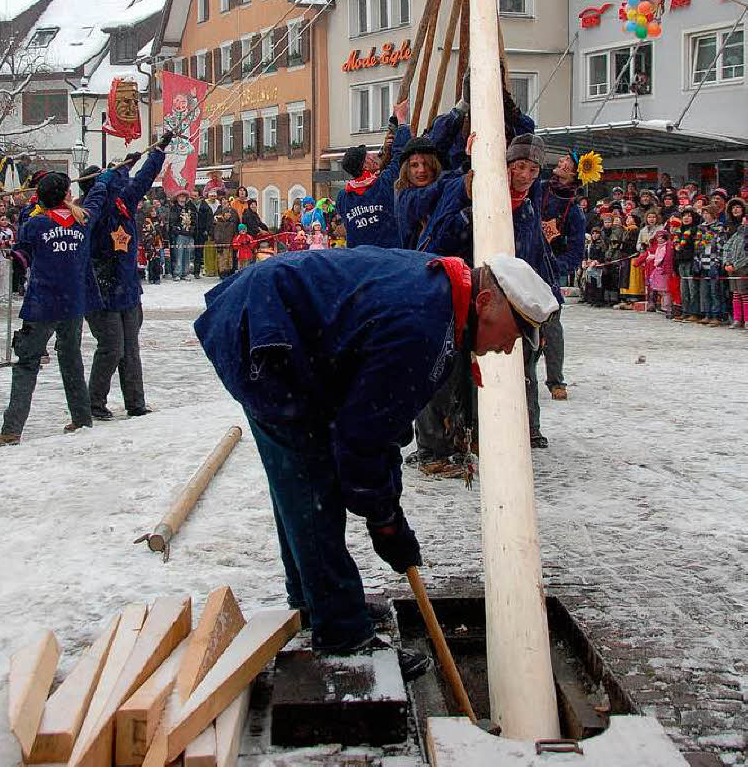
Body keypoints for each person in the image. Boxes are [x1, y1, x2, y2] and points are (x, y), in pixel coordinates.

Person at [194, 246, 558, 676]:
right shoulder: (423, 324)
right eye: (513, 334)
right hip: (266, 336)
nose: (506, 347)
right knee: (312, 485)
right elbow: (361, 439)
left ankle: (315, 600)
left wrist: (386, 512)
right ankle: (343, 637)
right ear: (484, 302)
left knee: (303, 483)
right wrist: (385, 519)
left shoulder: (443, 300)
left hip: (279, 323)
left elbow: (383, 422)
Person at [0, 169, 114, 446]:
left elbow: (23, 251)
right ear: (65, 196)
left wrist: (17, 252)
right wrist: (103, 178)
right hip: (74, 304)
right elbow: (97, 198)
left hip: (42, 304)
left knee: (27, 363)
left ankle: (12, 429)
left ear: (41, 199)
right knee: (71, 359)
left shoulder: (36, 224)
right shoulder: (83, 220)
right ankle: (81, 418)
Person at [82, 142, 169, 421]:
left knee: (130, 349)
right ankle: (95, 403)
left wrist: (158, 153)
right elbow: (106, 192)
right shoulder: (90, 210)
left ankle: (135, 403)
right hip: (101, 288)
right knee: (111, 347)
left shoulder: (122, 202)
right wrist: (118, 172)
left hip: (126, 286)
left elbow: (143, 180)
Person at [505, 134, 562, 448]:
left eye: (533, 170)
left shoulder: (530, 207)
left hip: (525, 295)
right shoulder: (494, 198)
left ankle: (530, 427)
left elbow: (539, 254)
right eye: (520, 167)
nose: (525, 176)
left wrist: (549, 289)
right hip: (495, 291)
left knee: (526, 364)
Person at [539, 150, 587, 400]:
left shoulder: (575, 212)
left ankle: (556, 380)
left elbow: (575, 252)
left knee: (552, 326)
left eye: (567, 162)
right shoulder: (538, 189)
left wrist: (555, 267)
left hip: (547, 272)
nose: (561, 162)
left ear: (576, 174)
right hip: (521, 262)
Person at [336, 100, 409, 248]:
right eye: (369, 156)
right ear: (365, 164)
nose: (373, 156)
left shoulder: (343, 197)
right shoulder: (383, 183)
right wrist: (401, 120)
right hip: (389, 257)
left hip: (360, 261)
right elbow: (401, 156)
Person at [694, 204, 725, 326]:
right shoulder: (700, 228)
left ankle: (716, 315)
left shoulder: (719, 227)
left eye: (707, 213)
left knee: (715, 290)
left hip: (713, 261)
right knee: (704, 290)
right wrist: (696, 261)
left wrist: (718, 261)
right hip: (702, 262)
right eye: (703, 213)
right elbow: (697, 245)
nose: (705, 215)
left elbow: (721, 246)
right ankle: (707, 313)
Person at [723, 197, 748, 328]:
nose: (735, 210)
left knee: (745, 294)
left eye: (738, 207)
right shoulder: (735, 232)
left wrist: (736, 265)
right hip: (732, 268)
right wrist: (727, 262)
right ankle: (737, 319)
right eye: (733, 208)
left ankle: (747, 319)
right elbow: (727, 246)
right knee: (736, 294)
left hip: (743, 268)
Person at [674, 206, 701, 321]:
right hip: (681, 261)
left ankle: (694, 312)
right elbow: (676, 246)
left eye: (689, 215)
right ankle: (685, 311)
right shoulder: (679, 231)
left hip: (691, 261)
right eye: (684, 215)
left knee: (692, 288)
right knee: (683, 289)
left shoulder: (695, 230)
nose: (686, 218)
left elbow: (696, 247)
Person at [213, 196, 238, 278]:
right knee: (222, 260)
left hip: (229, 244)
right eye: (226, 214)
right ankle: (222, 273)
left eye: (229, 215)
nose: (228, 216)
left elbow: (235, 233)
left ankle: (229, 272)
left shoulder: (232, 224)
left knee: (229, 260)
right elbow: (217, 235)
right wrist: (218, 244)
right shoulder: (219, 224)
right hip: (222, 245)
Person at [194, 189, 215, 278]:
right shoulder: (189, 205)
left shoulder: (205, 206)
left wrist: (207, 230)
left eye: (195, 196)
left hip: (201, 232)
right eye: (192, 196)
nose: (193, 197)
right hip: (190, 232)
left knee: (199, 253)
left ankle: (196, 272)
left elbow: (209, 219)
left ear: (199, 196)